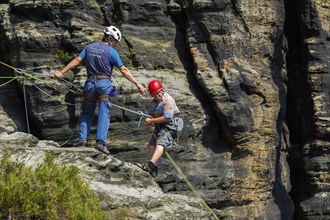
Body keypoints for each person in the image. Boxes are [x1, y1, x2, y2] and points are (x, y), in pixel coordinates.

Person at [54, 26, 147, 154]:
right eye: (115, 42)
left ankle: (82, 140)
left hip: (90, 84)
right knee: (104, 113)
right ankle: (101, 143)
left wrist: (61, 72)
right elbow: (123, 70)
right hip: (104, 84)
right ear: (110, 38)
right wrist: (137, 84)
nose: (115, 44)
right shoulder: (111, 52)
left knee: (86, 113)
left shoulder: (89, 48)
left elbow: (77, 60)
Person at [142, 80, 183, 177]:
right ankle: (154, 167)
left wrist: (151, 121)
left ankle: (150, 164)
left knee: (160, 143)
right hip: (160, 126)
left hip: (172, 125)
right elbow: (150, 115)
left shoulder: (168, 100)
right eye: (155, 94)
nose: (157, 95)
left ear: (162, 90)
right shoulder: (152, 103)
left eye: (159, 92)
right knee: (151, 146)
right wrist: (149, 124)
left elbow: (167, 117)